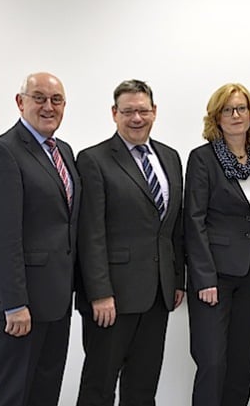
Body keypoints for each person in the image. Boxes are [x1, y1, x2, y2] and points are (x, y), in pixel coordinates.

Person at [0, 72, 80, 406]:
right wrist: (15, 304)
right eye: (39, 98)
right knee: (11, 395)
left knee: (44, 393)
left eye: (56, 100)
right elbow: (1, 238)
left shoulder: (62, 150)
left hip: (55, 301)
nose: (49, 106)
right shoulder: (2, 152)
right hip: (20, 307)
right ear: (20, 102)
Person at [75, 79, 185, 406]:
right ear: (114, 113)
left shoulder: (170, 157)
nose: (136, 118)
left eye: (143, 110)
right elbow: (90, 234)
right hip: (112, 298)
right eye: (128, 112)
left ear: (154, 112)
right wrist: (100, 293)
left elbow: (173, 229)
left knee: (142, 386)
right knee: (99, 385)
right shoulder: (93, 160)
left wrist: (177, 279)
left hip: (157, 295)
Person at [185, 83, 250, 406]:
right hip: (215, 279)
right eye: (228, 109)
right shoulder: (202, 159)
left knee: (241, 364)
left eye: (241, 108)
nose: (236, 115)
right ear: (216, 118)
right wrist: (204, 278)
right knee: (212, 362)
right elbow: (193, 221)